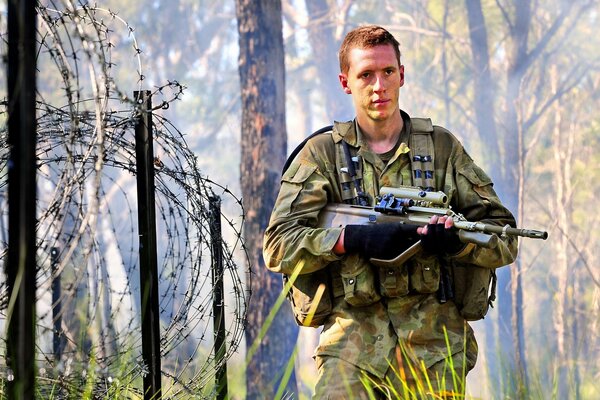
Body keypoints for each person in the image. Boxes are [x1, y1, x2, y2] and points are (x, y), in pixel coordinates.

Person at [263, 25, 518, 399]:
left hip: (433, 344)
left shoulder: (442, 148)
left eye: (387, 72)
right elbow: (277, 246)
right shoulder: (322, 155)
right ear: (345, 82)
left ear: (402, 74)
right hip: (351, 344)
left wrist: (456, 243)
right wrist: (349, 238)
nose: (379, 86)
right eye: (366, 74)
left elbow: (504, 238)